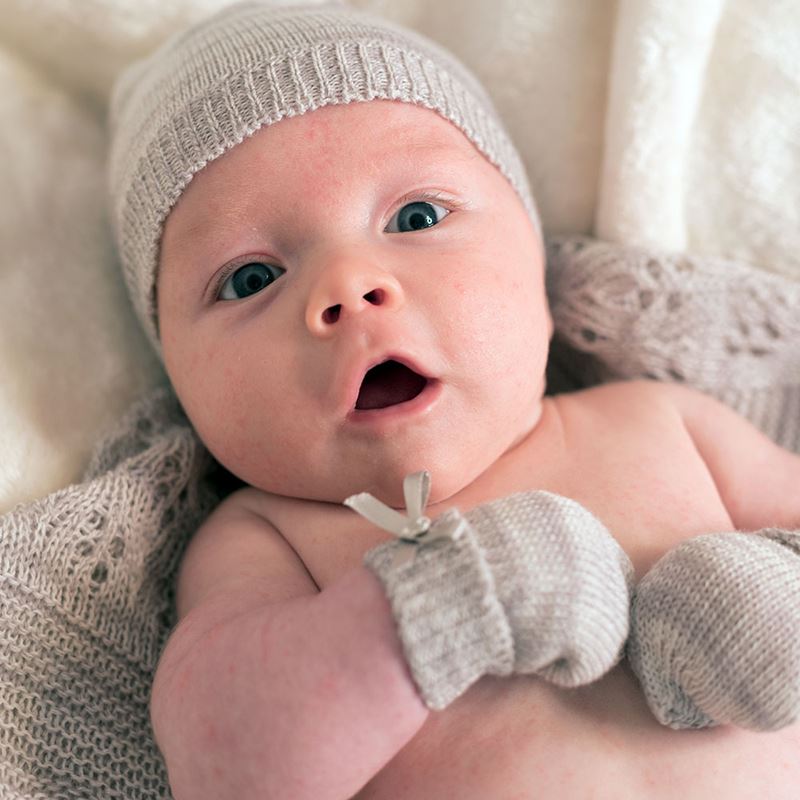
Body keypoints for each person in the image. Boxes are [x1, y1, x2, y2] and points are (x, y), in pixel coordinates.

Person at [108, 2, 800, 798]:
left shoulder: (663, 422)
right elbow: (229, 765)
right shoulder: (269, 542)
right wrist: (434, 607)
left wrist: (770, 599)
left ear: (537, 265)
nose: (351, 287)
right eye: (250, 278)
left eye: (416, 217)